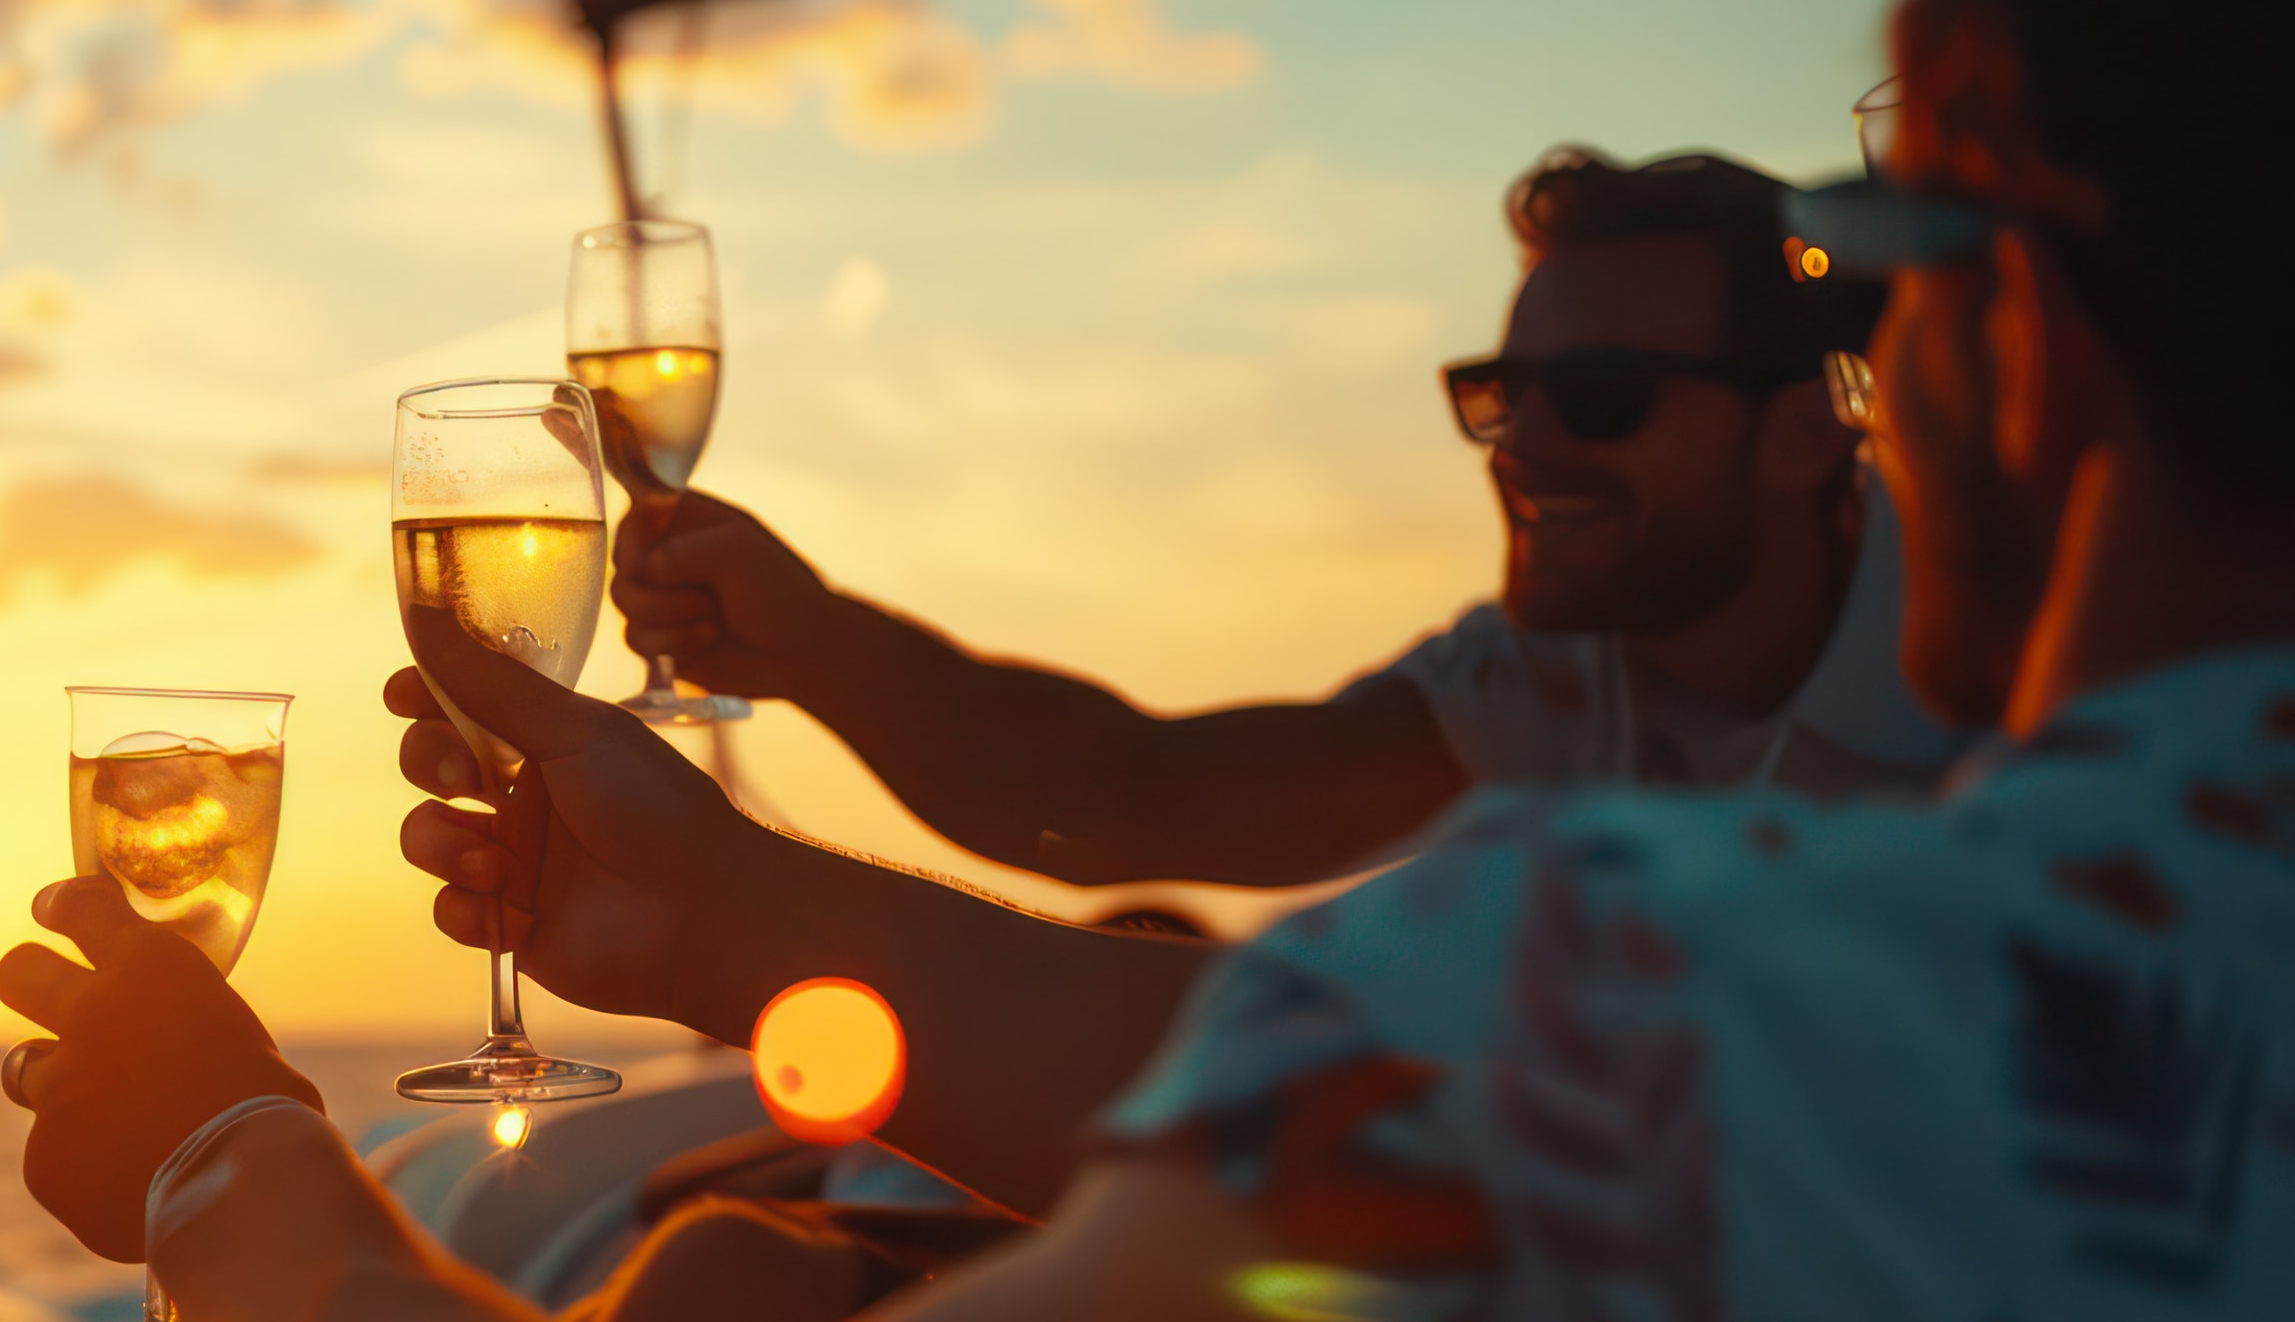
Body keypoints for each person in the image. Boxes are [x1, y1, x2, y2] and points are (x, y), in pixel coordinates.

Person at [0, 0, 2295, 1322]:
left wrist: (229, 1155)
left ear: (2033, 320)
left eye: (1887, 256)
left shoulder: (1660, 983)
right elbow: (1191, 844)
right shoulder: (1695, 932)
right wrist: (738, 919)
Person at [584, 150, 1968, 896]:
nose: (1526, 447)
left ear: (1803, 435)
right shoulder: (1561, 672)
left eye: (1599, 398)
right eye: (1502, 395)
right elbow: (1135, 801)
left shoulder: (2004, 681)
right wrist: (822, 647)